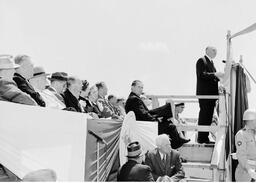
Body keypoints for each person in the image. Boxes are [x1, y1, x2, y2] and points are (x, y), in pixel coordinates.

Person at [125, 80, 190, 149]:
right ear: (132, 87)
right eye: (139, 87)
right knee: (171, 126)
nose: (141, 89)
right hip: (145, 125)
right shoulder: (134, 99)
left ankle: (178, 140)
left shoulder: (133, 98)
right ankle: (175, 145)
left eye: (142, 88)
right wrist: (156, 119)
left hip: (143, 123)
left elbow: (144, 114)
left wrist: (157, 116)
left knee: (167, 117)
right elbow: (144, 115)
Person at [196, 46, 223, 143]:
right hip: (205, 94)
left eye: (216, 50)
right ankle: (201, 138)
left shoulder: (211, 63)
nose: (215, 52)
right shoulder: (202, 60)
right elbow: (202, 75)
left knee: (208, 117)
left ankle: (205, 138)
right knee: (204, 116)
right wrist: (215, 74)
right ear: (206, 50)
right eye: (213, 50)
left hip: (211, 95)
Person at [235, 109, 256, 182]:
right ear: (250, 121)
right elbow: (241, 155)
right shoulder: (241, 134)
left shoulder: (254, 133)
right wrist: (249, 170)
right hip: (245, 174)